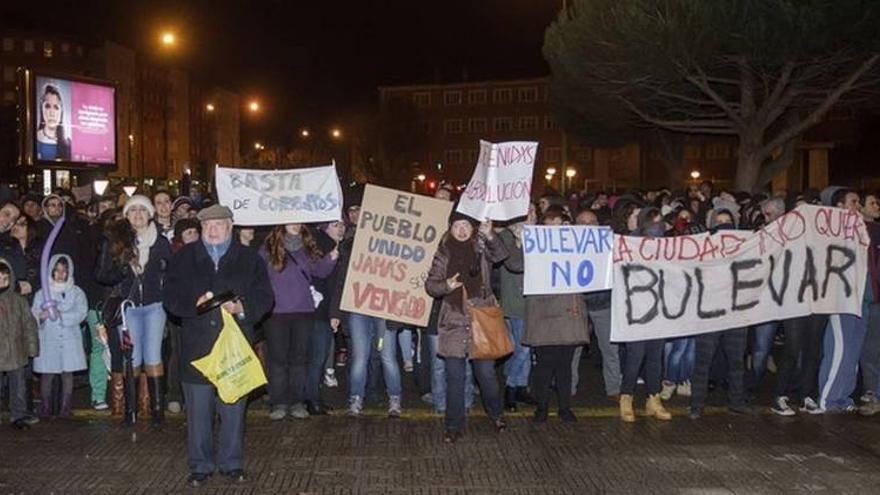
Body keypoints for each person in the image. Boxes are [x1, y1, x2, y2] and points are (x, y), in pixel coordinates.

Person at [163, 204, 273, 487]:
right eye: (207, 226)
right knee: (198, 411)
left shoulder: (249, 260)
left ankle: (232, 464)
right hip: (197, 347)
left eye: (219, 225)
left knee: (233, 407)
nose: (212, 230)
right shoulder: (184, 258)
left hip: (234, 347)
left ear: (230, 227)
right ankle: (200, 466)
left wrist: (242, 308)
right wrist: (192, 305)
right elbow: (170, 297)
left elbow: (265, 297)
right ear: (200, 229)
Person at [425, 211, 509, 443]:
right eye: (457, 225)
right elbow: (431, 285)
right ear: (450, 228)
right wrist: (446, 285)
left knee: (486, 374)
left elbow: (502, 254)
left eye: (466, 225)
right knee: (455, 377)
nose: (462, 230)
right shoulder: (444, 252)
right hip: (453, 320)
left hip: (481, 317)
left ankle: (496, 414)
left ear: (472, 228)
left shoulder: (480, 248)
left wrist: (489, 234)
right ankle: (453, 425)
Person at [95, 195, 172, 426]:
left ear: (150, 214)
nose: (138, 214)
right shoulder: (116, 241)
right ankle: (131, 410)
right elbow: (100, 274)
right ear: (126, 215)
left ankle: (157, 412)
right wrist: (122, 267)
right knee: (133, 356)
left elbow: (174, 272)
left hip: (155, 305)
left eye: (142, 210)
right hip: (128, 308)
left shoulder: (161, 241)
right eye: (133, 210)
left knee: (153, 355)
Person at [260, 223, 337, 420]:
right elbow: (257, 274)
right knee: (277, 360)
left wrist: (332, 257)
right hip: (276, 312)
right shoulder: (268, 248)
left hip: (303, 311)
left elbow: (320, 271)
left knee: (299, 359)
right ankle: (278, 402)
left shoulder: (307, 246)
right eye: (291, 220)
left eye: (298, 220)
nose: (295, 224)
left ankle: (296, 402)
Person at [524, 207, 589, 423]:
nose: (556, 229)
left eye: (560, 224)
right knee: (544, 365)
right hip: (544, 314)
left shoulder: (574, 246)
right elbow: (516, 264)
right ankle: (541, 406)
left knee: (565, 366)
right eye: (551, 224)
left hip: (568, 314)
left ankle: (564, 407)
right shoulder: (533, 245)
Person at [618, 207, 672, 422]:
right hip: (636, 311)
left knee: (655, 358)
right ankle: (626, 398)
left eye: (660, 224)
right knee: (635, 356)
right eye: (652, 224)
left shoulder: (669, 248)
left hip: (659, 310)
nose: (657, 229)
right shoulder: (630, 246)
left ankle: (653, 399)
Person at [32, 255, 88, 418]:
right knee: (47, 374)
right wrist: (41, 316)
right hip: (49, 339)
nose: (60, 274)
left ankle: (65, 407)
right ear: (51, 271)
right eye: (57, 270)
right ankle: (46, 406)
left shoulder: (76, 292)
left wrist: (62, 316)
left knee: (67, 374)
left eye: (64, 270)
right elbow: (33, 313)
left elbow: (82, 312)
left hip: (70, 339)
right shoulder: (42, 293)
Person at [0, 258, 40, 429]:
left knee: (18, 386)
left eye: (5, 279)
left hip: (16, 352)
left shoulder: (18, 301)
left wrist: (31, 348)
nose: (1, 283)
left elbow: (29, 325)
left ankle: (19, 415)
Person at [35, 84, 71, 161]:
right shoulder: (34, 140)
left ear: (61, 111)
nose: (52, 113)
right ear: (42, 109)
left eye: (56, 107)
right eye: (47, 106)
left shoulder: (68, 143)